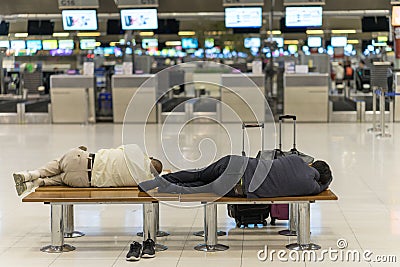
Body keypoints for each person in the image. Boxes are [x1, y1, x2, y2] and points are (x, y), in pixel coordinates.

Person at [139, 154, 333, 198]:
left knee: (198, 174)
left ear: (311, 164)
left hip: (236, 164)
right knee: (201, 187)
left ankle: (157, 181)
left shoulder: (296, 160)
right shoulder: (311, 188)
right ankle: (167, 188)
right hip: (237, 188)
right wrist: (326, 183)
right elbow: (322, 187)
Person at [13, 144, 162, 196]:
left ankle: (31, 174)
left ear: (150, 158)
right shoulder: (141, 180)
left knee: (59, 164)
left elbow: (118, 150)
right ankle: (36, 183)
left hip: (82, 160)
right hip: (82, 182)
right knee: (60, 180)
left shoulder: (135, 151)